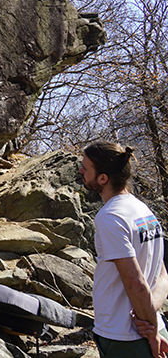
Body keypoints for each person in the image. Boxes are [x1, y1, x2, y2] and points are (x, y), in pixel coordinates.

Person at [79, 141, 168, 357]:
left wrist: (152, 332)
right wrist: (151, 315)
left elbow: (135, 283)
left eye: (85, 167)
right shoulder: (142, 209)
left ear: (103, 178)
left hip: (125, 336)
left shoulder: (111, 217)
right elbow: (163, 274)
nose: (80, 170)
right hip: (147, 325)